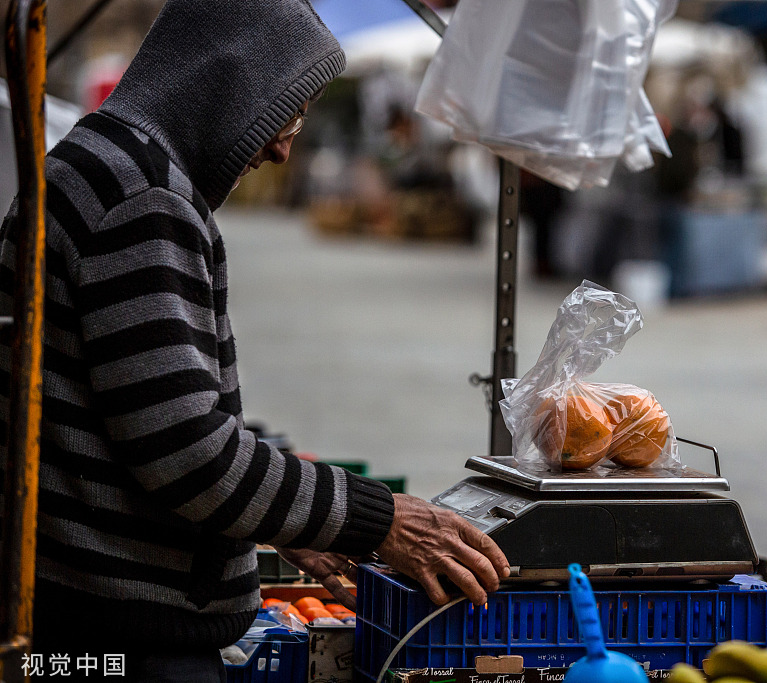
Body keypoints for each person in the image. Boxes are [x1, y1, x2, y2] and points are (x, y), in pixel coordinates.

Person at [0, 0, 508, 678]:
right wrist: (382, 519)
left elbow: (149, 422)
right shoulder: (140, 194)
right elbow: (191, 457)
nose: (281, 146)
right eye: (287, 112)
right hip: (125, 632)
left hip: (91, 614)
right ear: (227, 81)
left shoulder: (102, 162)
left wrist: (289, 520)